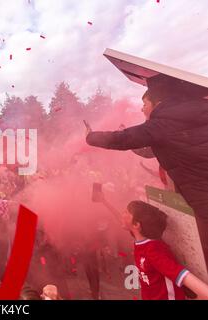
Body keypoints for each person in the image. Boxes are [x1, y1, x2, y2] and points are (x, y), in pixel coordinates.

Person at [86, 77, 208, 266]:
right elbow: (150, 150)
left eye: (144, 103)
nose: (142, 109)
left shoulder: (163, 123)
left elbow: (123, 139)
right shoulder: (197, 112)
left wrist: (91, 137)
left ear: (157, 103)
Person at [122, 200, 208, 300]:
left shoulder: (153, 250)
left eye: (126, 212)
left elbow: (184, 276)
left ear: (136, 225)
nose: (122, 214)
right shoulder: (141, 242)